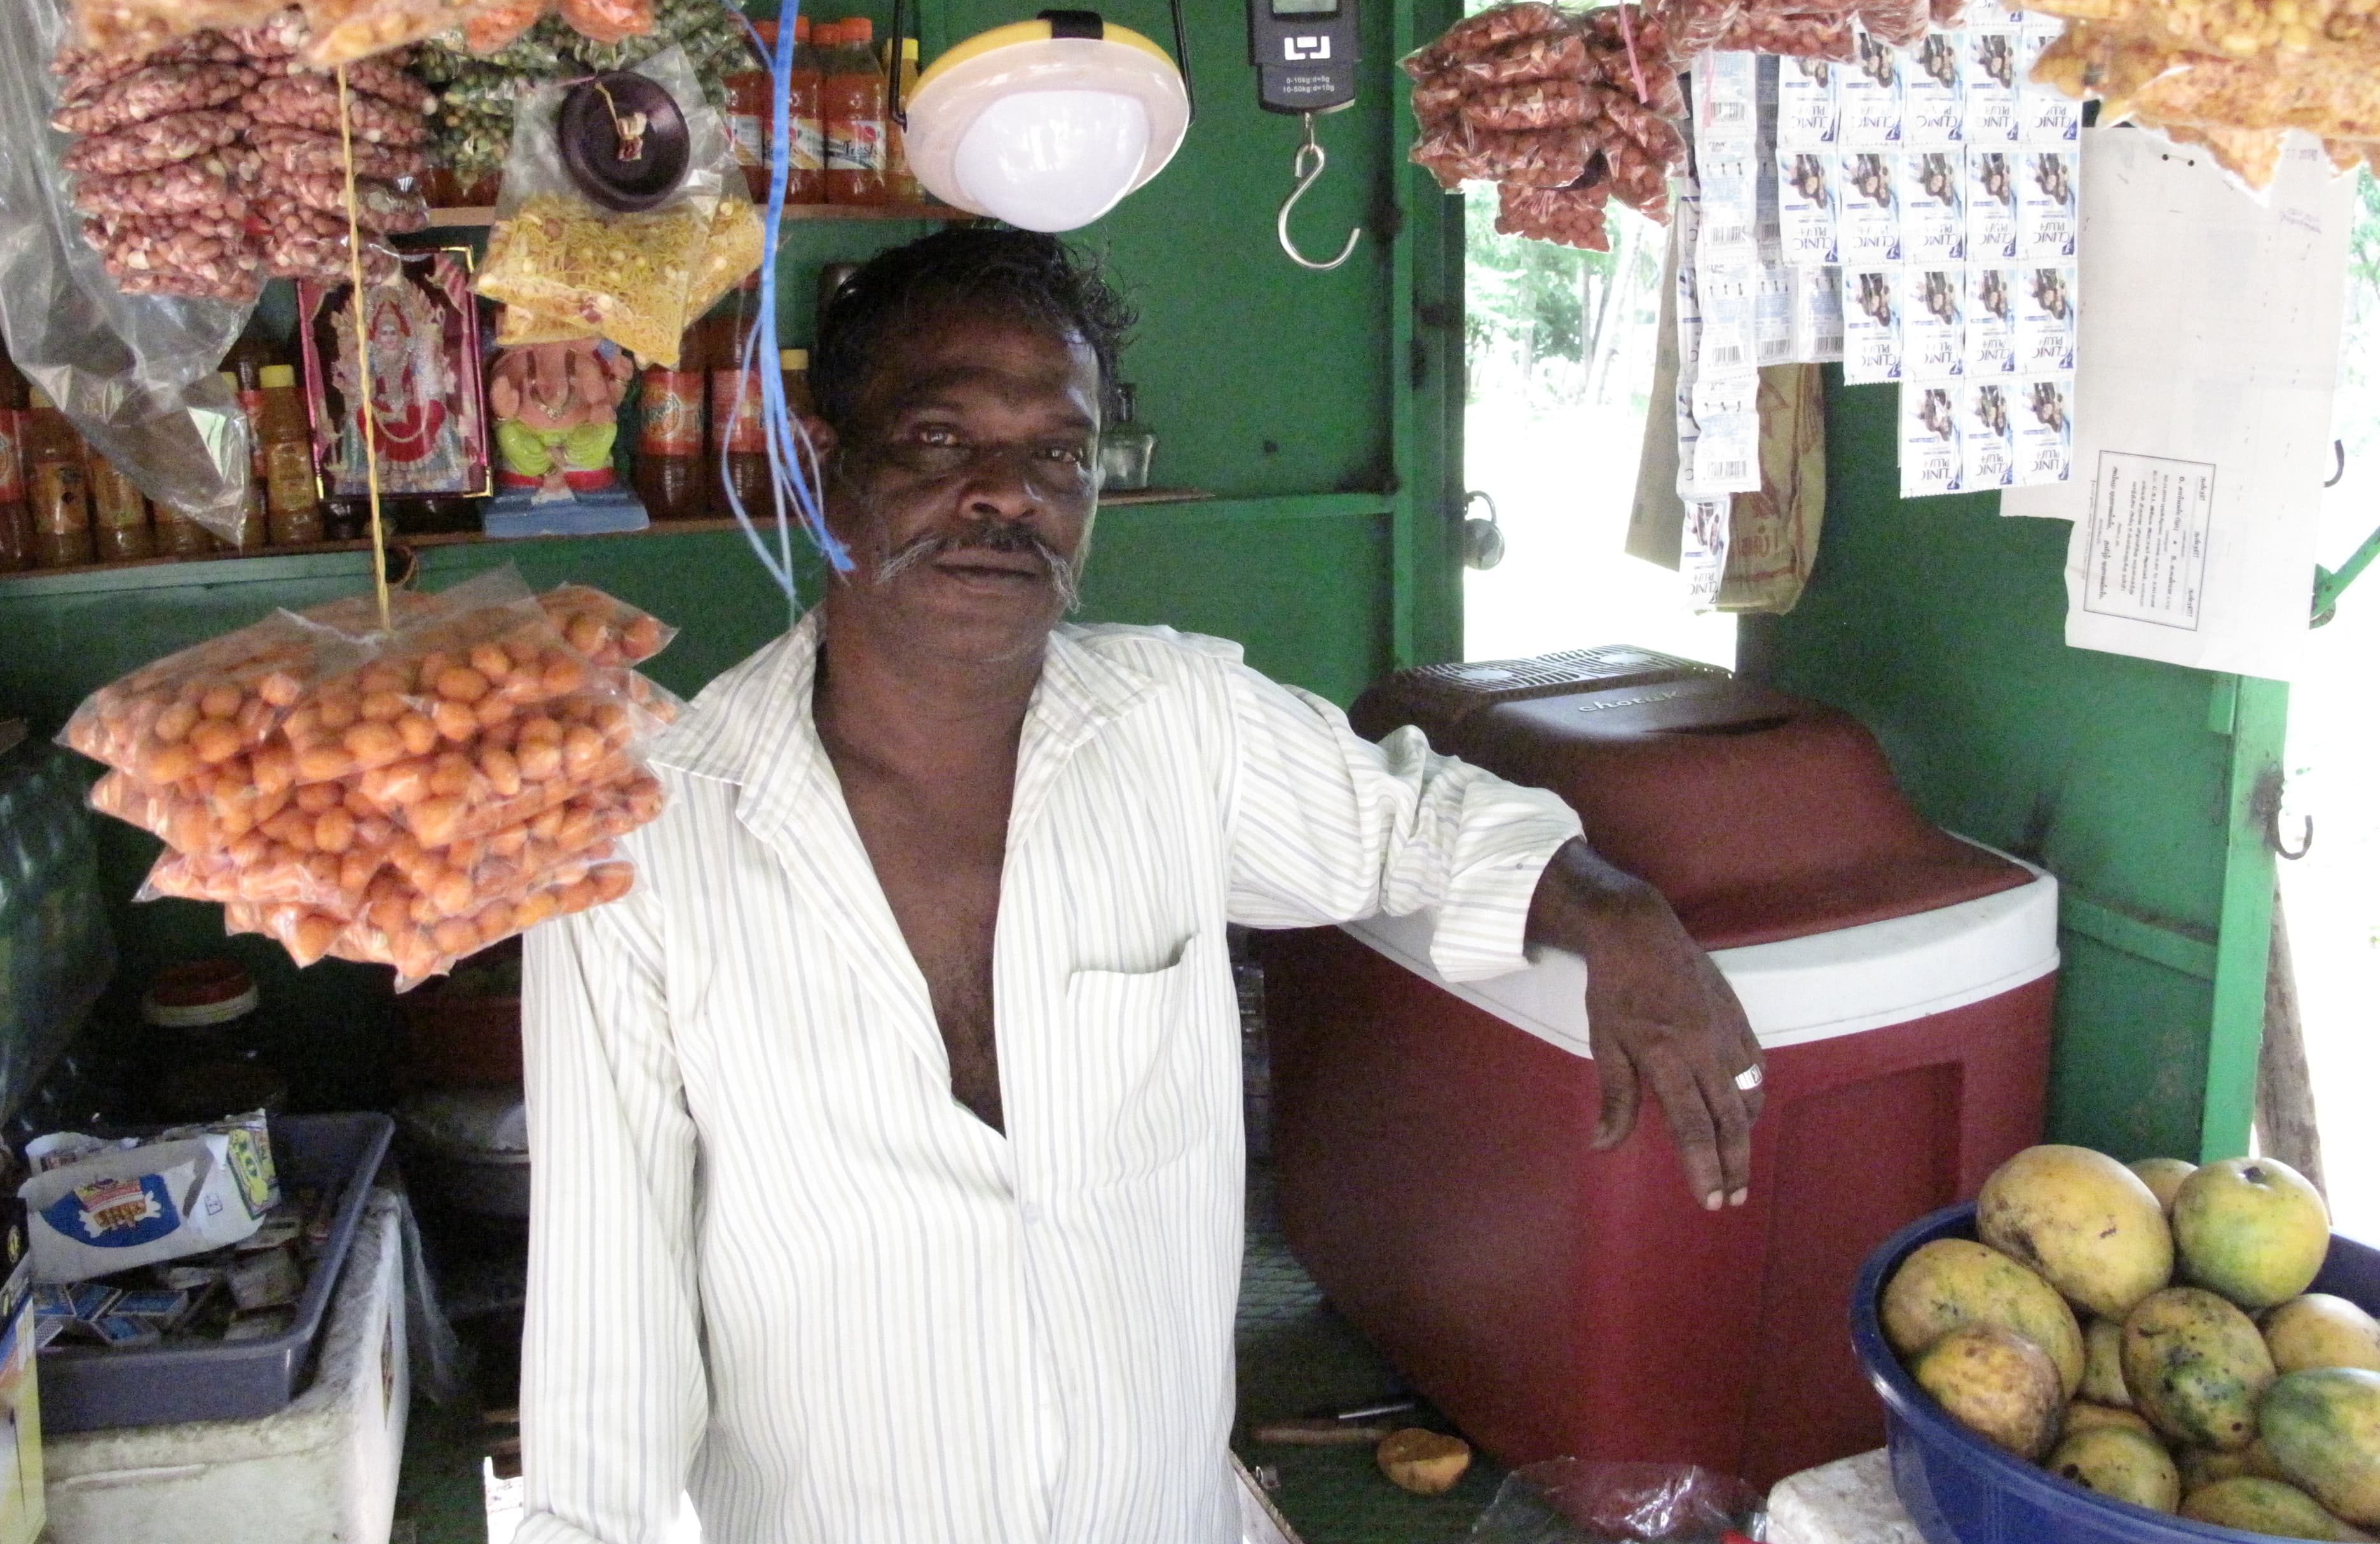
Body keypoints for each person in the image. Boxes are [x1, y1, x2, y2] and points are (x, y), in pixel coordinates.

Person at [519, 229, 1766, 1544]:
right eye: (941, 441)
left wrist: (1613, 909)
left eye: (1058, 451)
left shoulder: (1184, 728)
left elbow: (1422, 824)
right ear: (830, 477)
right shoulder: (640, 834)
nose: (1007, 496)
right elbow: (608, 1310)